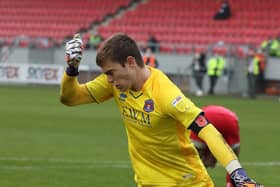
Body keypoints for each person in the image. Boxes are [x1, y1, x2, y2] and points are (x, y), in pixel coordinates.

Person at [60, 33, 263, 187]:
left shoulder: (165, 94)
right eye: (106, 75)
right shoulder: (114, 84)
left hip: (186, 183)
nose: (109, 80)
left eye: (111, 73)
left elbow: (206, 129)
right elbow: (70, 98)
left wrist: (238, 174)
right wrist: (71, 69)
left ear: (130, 62)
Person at [190, 105, 240, 187]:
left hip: (204, 118)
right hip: (230, 120)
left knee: (193, 158)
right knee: (234, 159)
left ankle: (192, 182)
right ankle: (231, 184)